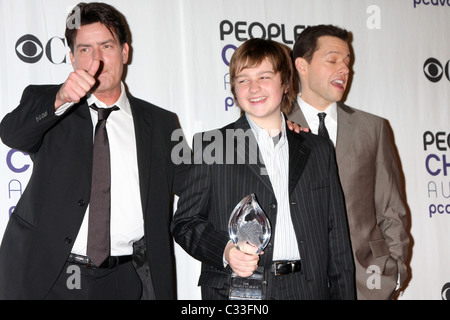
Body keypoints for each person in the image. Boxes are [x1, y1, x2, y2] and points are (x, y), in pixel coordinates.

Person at [0, 2, 187, 299]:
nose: (96, 59)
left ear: (125, 52)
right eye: (85, 49)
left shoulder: (161, 124)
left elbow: (195, 183)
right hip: (47, 278)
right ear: (73, 58)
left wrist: (267, 128)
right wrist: (60, 98)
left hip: (125, 280)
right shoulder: (50, 105)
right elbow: (12, 134)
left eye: (107, 46)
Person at [171, 38, 355, 300]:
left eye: (264, 76)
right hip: (239, 291)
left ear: (285, 82)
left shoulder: (318, 149)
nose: (253, 87)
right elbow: (185, 223)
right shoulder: (212, 146)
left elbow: (336, 238)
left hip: (309, 289)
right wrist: (225, 251)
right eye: (243, 79)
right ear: (234, 89)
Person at [288, 24, 410, 300]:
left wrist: (396, 268)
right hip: (298, 283)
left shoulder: (372, 128)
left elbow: (390, 206)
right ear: (302, 66)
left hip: (368, 281)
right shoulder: (277, 128)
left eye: (347, 62)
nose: (344, 70)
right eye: (332, 60)